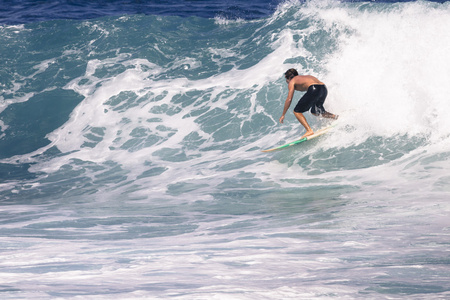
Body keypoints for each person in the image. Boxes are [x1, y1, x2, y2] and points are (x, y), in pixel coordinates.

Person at [279, 68, 337, 139]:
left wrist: (283, 115)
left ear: (289, 77)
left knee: (297, 111)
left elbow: (289, 99)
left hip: (314, 89)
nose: (287, 82)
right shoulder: (305, 77)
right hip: (323, 88)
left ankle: (309, 130)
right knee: (315, 111)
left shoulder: (292, 81)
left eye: (286, 80)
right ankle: (335, 117)